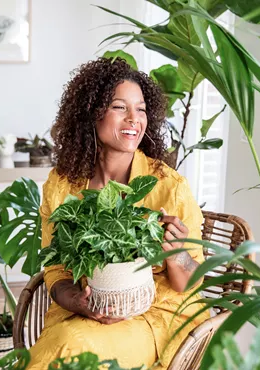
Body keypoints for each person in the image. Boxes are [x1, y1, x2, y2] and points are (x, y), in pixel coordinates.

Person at [27, 57, 209, 369]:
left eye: (140, 109)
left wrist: (176, 253)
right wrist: (78, 303)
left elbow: (189, 285)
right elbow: (56, 268)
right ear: (91, 114)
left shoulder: (168, 186)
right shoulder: (61, 185)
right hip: (83, 315)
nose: (134, 119)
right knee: (67, 341)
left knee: (72, 347)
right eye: (119, 107)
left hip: (156, 318)